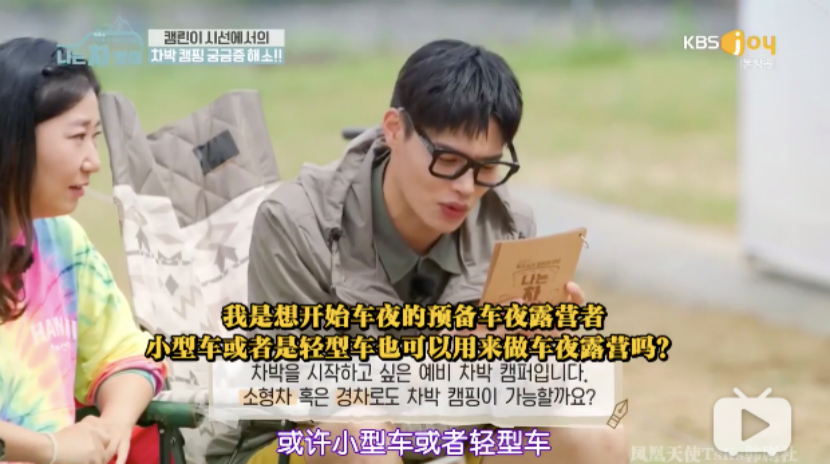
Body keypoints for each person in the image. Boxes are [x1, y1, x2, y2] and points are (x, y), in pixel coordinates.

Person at [211, 39, 628, 464]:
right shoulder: (298, 223)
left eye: (486, 167)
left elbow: (518, 396)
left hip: (454, 436)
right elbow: (302, 391)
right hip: (306, 443)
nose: (466, 188)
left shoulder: (508, 224)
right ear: (394, 129)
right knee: (360, 436)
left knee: (597, 433)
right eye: (447, 160)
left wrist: (546, 356)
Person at [0, 38, 167, 464]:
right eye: (77, 137)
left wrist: (112, 426)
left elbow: (126, 355)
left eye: (95, 137)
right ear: (13, 138)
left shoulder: (62, 242)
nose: (94, 161)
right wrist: (51, 448)